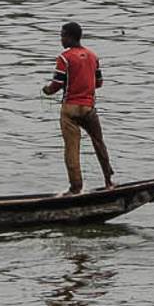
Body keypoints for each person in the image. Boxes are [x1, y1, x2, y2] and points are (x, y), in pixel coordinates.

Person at [42, 22, 115, 195]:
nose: (61, 39)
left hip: (70, 109)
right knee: (99, 143)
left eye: (62, 36)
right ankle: (109, 181)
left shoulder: (64, 58)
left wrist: (47, 90)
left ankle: (75, 187)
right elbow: (99, 83)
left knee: (72, 149)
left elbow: (57, 84)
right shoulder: (92, 56)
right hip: (88, 108)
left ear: (70, 37)